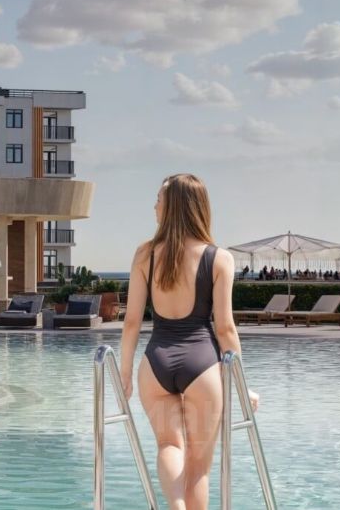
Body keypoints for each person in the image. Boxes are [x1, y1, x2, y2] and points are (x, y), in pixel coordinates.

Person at [119, 174, 258, 510]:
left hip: (156, 364)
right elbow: (225, 329)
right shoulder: (219, 258)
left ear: (174, 207)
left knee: (169, 445)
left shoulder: (145, 254)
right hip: (203, 364)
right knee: (199, 463)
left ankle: (176, 507)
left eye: (159, 200)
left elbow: (132, 321)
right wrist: (242, 384)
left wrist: (124, 372)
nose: (154, 207)